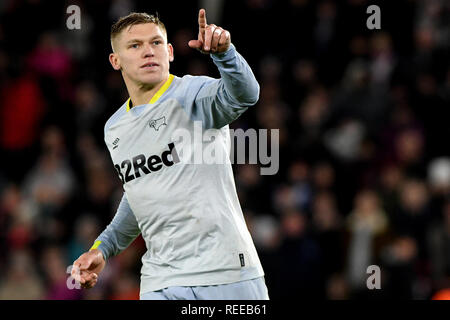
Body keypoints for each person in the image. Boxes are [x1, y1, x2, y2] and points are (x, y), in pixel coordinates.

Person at [71, 9, 269, 300]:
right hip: (161, 279)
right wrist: (104, 247)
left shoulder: (194, 93)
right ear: (116, 60)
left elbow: (246, 94)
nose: (148, 51)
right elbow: (139, 193)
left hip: (225, 272)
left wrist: (225, 54)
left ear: (170, 52)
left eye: (155, 43)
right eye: (135, 46)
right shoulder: (114, 128)